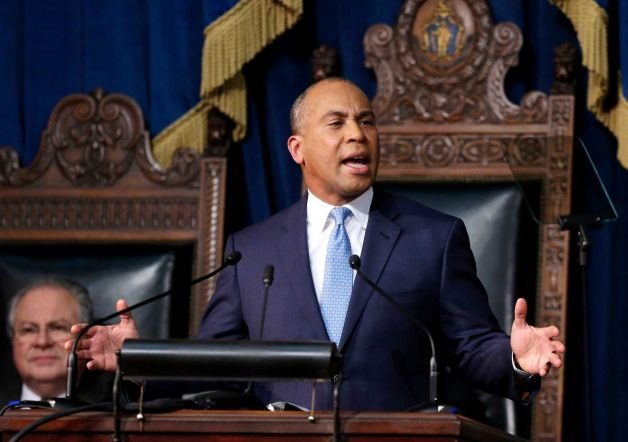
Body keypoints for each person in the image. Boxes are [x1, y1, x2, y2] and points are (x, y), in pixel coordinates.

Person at [68, 77, 564, 412]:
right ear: (297, 148)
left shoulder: (433, 237)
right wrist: (139, 360)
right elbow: (216, 365)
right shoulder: (252, 250)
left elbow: (470, 347)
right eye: (337, 123)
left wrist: (515, 358)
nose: (358, 135)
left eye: (367, 121)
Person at [3, 278, 93, 403]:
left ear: (86, 337)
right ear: (12, 339)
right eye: (28, 330)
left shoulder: (116, 400)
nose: (42, 342)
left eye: (58, 328)